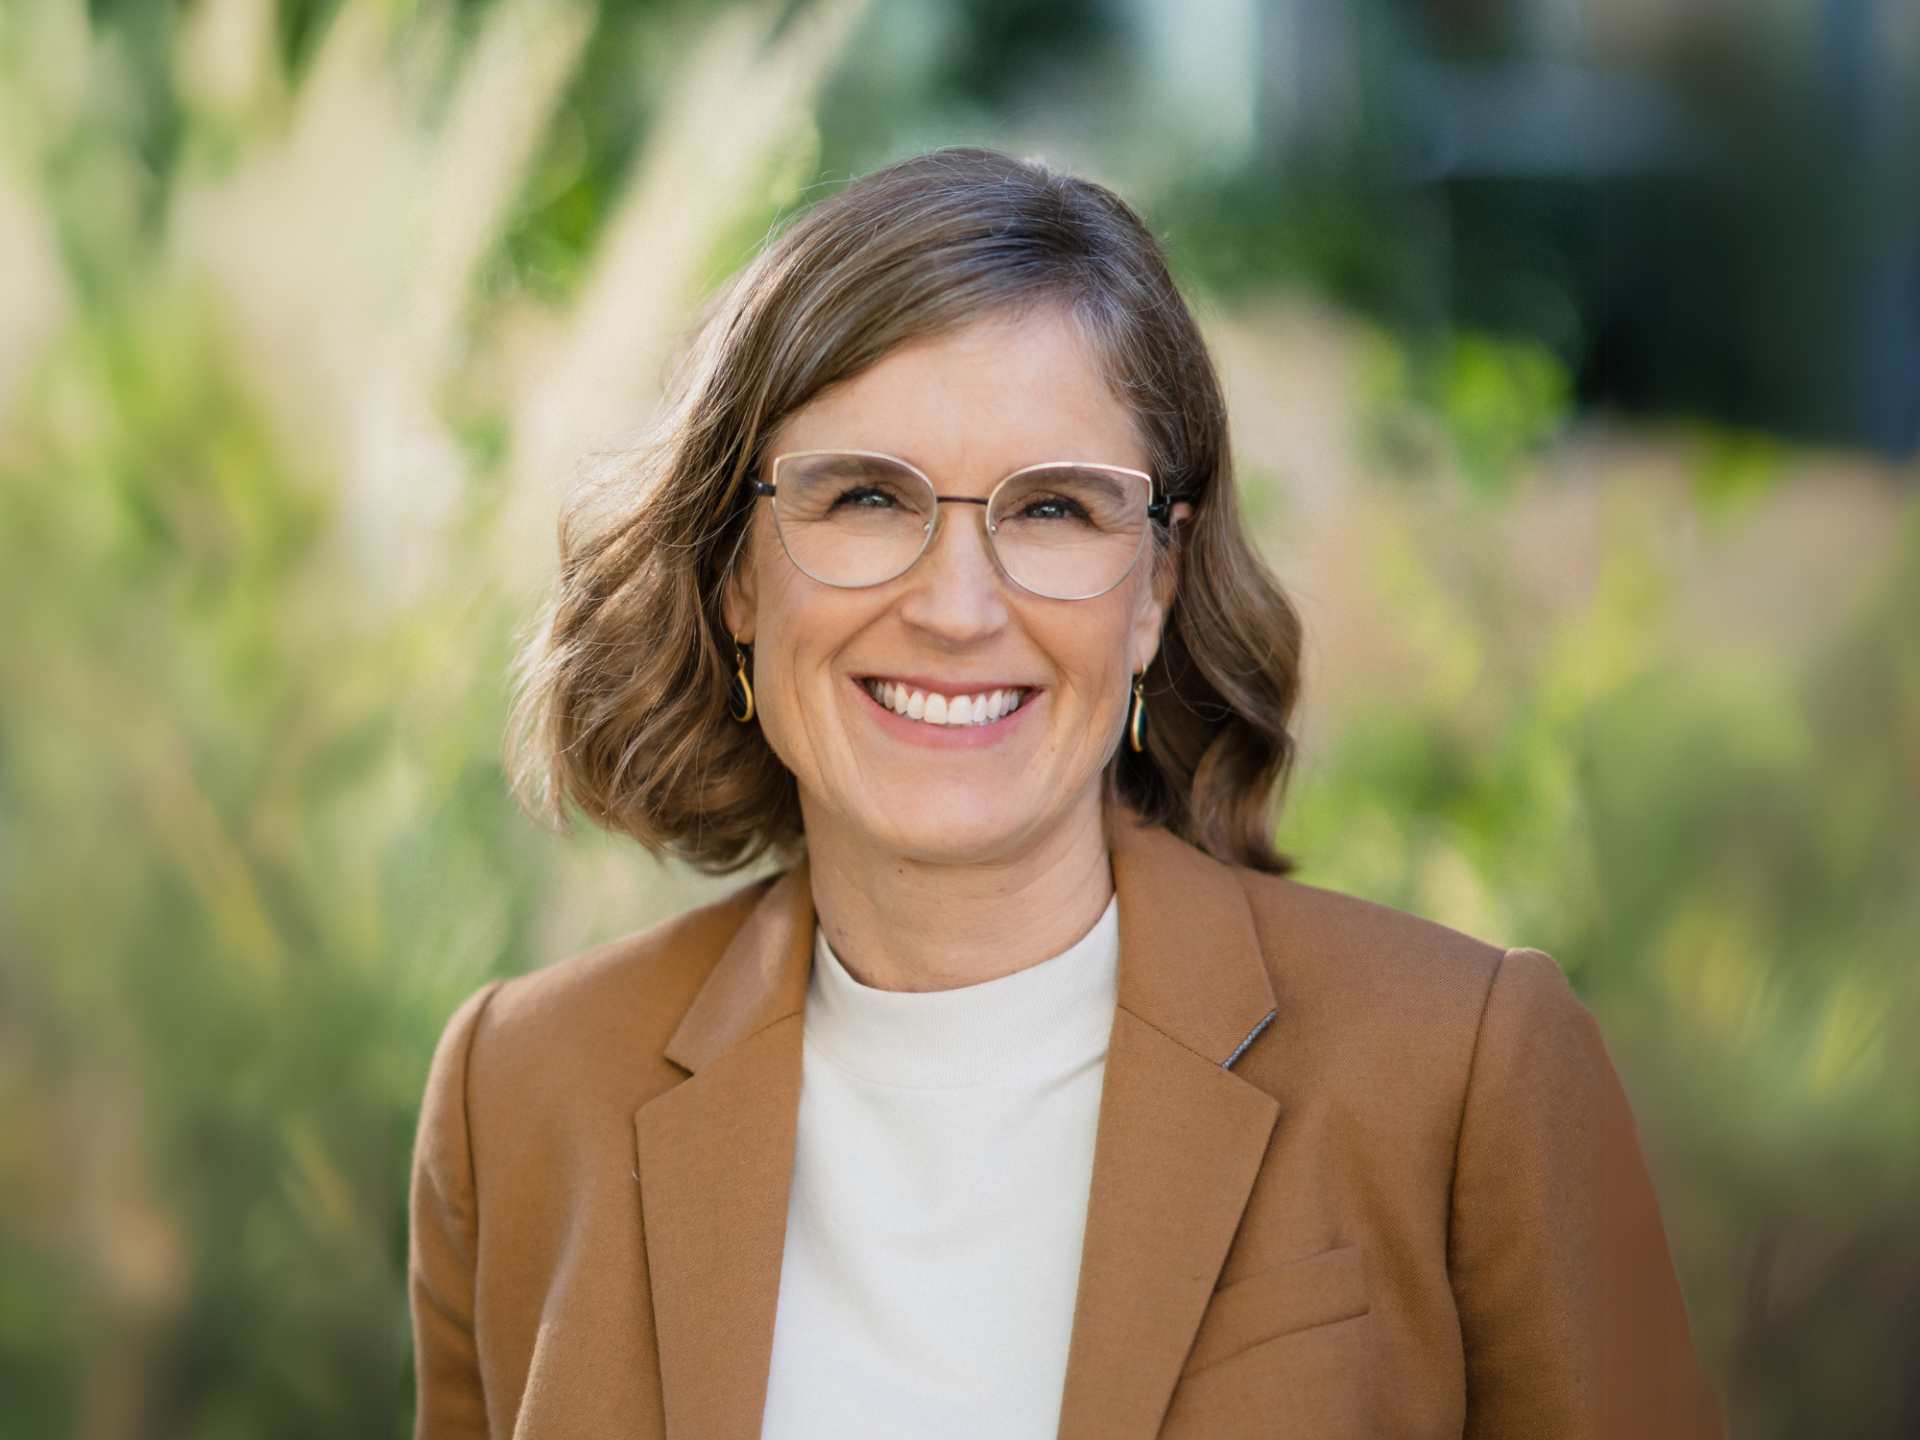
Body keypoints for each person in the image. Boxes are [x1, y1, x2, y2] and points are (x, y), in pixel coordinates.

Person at [408, 149, 1720, 1440]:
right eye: (866, 496)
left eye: (1053, 511)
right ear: (739, 573)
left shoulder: (1464, 1073)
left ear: (1154, 590)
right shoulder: (521, 1092)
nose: (956, 608)